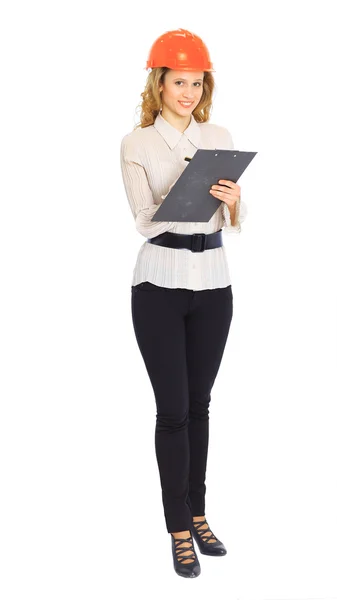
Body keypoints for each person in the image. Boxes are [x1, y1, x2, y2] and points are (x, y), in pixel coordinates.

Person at [120, 28, 247, 578]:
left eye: (197, 82)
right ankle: (177, 528)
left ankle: (198, 513)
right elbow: (144, 219)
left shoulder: (218, 135)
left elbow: (232, 224)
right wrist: (189, 194)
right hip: (159, 288)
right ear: (160, 83)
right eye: (179, 82)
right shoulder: (137, 143)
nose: (188, 92)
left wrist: (234, 201)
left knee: (201, 405)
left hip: (214, 285)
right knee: (172, 411)